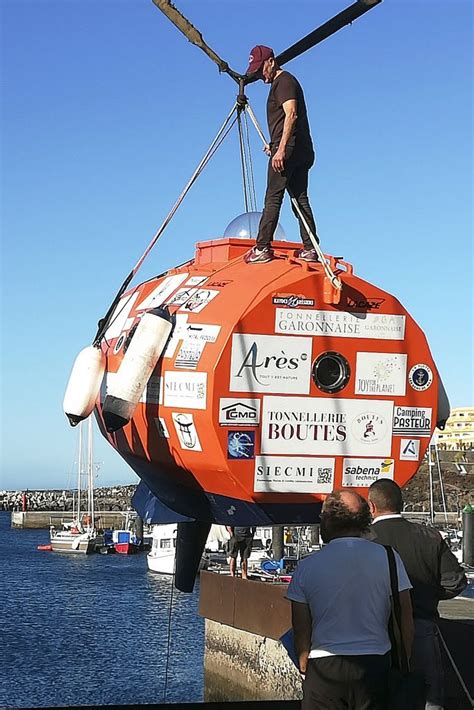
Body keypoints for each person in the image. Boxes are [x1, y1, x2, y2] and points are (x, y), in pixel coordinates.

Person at [286, 490, 414, 710]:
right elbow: (405, 617)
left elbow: (301, 628)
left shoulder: (307, 567)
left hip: (324, 665)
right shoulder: (389, 558)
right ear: (365, 519)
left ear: (328, 521)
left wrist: (304, 662)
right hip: (375, 663)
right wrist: (404, 661)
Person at [368, 479, 467, 710]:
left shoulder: (364, 539)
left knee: (375, 695)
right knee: (429, 694)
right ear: (402, 503)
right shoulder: (429, 536)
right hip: (422, 624)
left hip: (375, 629)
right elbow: (455, 581)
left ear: (371, 506)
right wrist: (428, 594)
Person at [244, 45, 319, 264]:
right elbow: (285, 121)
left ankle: (262, 248)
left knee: (273, 197)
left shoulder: (284, 81)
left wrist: (281, 149)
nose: (260, 76)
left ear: (271, 61)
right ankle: (310, 247)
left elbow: (292, 113)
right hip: (300, 150)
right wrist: (274, 144)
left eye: (260, 70)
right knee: (299, 197)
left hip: (289, 151)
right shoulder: (283, 82)